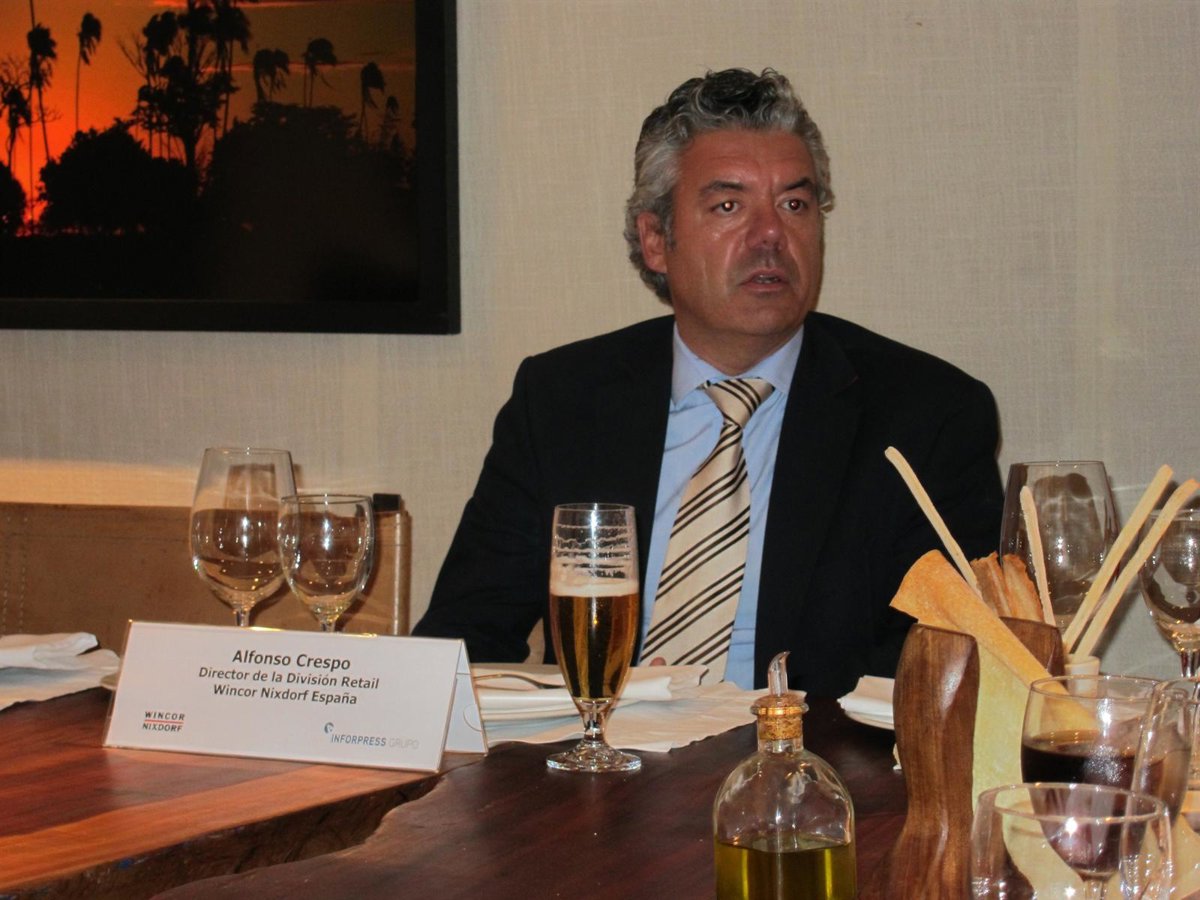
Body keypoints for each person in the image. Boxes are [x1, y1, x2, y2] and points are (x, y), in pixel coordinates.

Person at [414, 68, 1003, 695]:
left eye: (794, 204)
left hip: (808, 752)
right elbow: (463, 640)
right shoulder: (561, 400)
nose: (771, 235)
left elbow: (949, 668)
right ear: (655, 240)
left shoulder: (928, 417)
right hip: (603, 750)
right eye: (729, 206)